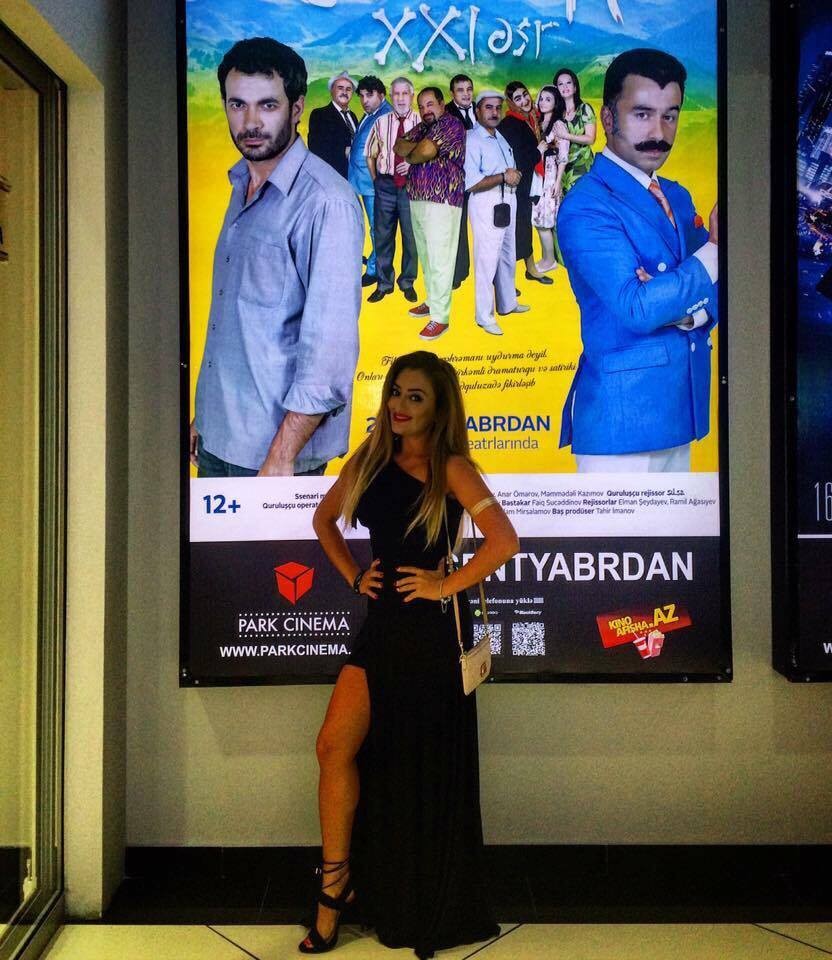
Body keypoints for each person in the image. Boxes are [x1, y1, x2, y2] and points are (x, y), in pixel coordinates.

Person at [301, 350, 518, 958]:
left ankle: (410, 898)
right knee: (333, 747)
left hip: (430, 640)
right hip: (381, 630)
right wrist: (354, 576)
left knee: (417, 772)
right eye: (396, 392)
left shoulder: (452, 469)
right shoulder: (369, 460)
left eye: (414, 396)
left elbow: (504, 541)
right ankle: (336, 884)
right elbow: (323, 521)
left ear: (438, 407)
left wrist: (444, 585)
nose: (399, 405)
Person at [190, 38, 363, 478]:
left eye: (267, 105)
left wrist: (283, 454)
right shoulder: (240, 184)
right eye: (237, 104)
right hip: (218, 437)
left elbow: (330, 350)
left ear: (297, 107)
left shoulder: (327, 201)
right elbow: (236, 321)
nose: (250, 122)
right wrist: (205, 418)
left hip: (274, 455)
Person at [558, 48, 719, 472]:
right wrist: (713, 251)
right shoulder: (586, 205)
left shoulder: (677, 196)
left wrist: (685, 311)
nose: (659, 133)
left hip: (680, 413)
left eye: (670, 115)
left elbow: (720, 289)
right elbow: (638, 307)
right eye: (642, 114)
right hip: (620, 426)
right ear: (607, 119)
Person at [394, 88, 466, 341]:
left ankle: (440, 318)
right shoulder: (423, 127)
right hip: (417, 197)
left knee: (440, 260)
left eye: (430, 104)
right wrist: (420, 149)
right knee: (426, 256)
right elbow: (399, 145)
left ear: (442, 104)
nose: (426, 110)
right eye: (422, 106)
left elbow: (423, 152)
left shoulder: (451, 124)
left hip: (443, 199)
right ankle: (432, 301)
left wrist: (416, 153)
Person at [464, 90, 529, 335]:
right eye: (488, 107)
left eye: (498, 108)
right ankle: (484, 316)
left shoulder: (499, 136)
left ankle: (508, 303)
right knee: (487, 260)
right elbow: (471, 183)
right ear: (477, 111)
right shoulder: (472, 139)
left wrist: (513, 176)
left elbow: (508, 169)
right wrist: (504, 176)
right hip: (486, 202)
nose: (494, 112)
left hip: (508, 199)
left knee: (507, 255)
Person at [365, 77, 420, 304]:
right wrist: (377, 181)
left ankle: (407, 282)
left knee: (411, 237)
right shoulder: (380, 122)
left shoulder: (422, 122)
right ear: (390, 96)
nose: (400, 98)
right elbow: (370, 154)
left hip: (412, 187)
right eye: (396, 94)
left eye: (405, 93)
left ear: (412, 95)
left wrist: (413, 165)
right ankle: (384, 283)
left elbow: (431, 157)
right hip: (386, 186)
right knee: (383, 236)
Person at [498, 81, 552, 285]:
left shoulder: (531, 119)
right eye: (518, 98)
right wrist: (538, 151)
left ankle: (531, 269)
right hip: (514, 186)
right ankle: (506, 281)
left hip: (528, 183)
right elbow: (518, 161)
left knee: (524, 226)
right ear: (511, 103)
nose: (524, 100)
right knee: (512, 231)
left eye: (525, 94)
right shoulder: (510, 124)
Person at [349, 75, 393, 287]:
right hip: (361, 181)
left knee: (378, 229)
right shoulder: (372, 114)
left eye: (370, 95)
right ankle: (375, 263)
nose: (364, 100)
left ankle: (375, 271)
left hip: (373, 184)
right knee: (373, 228)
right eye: (362, 96)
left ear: (381, 95)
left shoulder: (386, 115)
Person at [531, 85, 570, 273]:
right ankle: (547, 258)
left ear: (556, 103)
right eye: (541, 98)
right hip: (538, 174)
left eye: (548, 99)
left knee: (544, 220)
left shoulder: (558, 125)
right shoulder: (537, 122)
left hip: (550, 174)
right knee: (538, 219)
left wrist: (557, 181)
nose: (543, 102)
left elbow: (563, 156)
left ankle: (550, 260)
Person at [445, 73, 477, 289]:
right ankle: (458, 273)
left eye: (469, 89)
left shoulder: (482, 109)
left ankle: (493, 279)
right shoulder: (446, 113)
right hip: (457, 180)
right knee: (457, 229)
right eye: (460, 90)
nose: (466, 94)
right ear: (452, 93)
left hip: (483, 179)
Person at [551, 67, 597, 195]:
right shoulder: (557, 114)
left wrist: (566, 135)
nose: (565, 86)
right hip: (563, 170)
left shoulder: (584, 108)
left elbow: (590, 139)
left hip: (582, 167)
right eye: (560, 84)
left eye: (568, 83)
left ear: (575, 87)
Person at [308, 71, 358, 180]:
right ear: (331, 90)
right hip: (332, 177)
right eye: (340, 88)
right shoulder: (319, 114)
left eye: (348, 89)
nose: (344, 92)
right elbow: (316, 149)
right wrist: (346, 151)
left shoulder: (353, 116)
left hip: (354, 177)